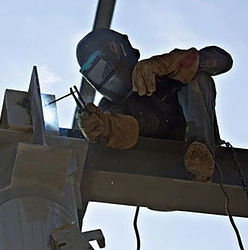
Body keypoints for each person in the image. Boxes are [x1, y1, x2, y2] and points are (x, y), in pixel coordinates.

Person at [75, 29, 232, 182]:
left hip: (196, 154)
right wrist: (101, 127)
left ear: (117, 50)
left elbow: (223, 60)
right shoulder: (111, 105)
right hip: (157, 173)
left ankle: (200, 153)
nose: (107, 75)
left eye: (105, 67)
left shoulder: (164, 70)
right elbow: (121, 129)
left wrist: (167, 64)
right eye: (98, 73)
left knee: (196, 76)